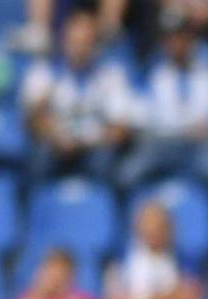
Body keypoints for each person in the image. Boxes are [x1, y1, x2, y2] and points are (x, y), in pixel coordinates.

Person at [117, 8, 208, 190]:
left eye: (181, 37)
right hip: (161, 142)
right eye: (170, 38)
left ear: (191, 38)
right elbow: (137, 109)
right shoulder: (153, 67)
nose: (176, 43)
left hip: (199, 144)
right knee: (126, 176)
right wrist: (159, 125)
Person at [21, 8, 134, 181]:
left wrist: (88, 142)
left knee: (106, 161)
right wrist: (55, 135)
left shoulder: (111, 76)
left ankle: (100, 205)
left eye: (85, 42)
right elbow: (32, 121)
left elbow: (121, 129)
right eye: (74, 42)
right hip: (56, 145)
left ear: (96, 45)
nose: (79, 49)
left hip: (94, 147)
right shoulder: (44, 73)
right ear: (63, 42)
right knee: (39, 157)